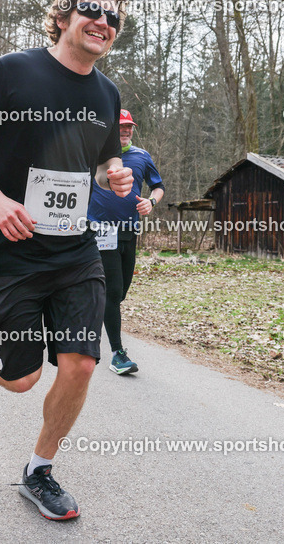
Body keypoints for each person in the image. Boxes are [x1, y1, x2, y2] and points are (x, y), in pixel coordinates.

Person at [0, 0, 133, 521]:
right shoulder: (13, 72)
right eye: (91, 11)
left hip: (75, 252)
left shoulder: (106, 92)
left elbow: (98, 163)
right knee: (24, 378)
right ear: (63, 15)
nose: (103, 22)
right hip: (13, 251)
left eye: (113, 17)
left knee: (80, 363)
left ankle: (39, 471)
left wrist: (115, 175)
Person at [87, 109, 164, 375]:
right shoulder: (96, 154)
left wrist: (151, 202)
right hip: (101, 230)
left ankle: (92, 315)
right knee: (113, 290)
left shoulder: (142, 156)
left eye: (129, 127)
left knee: (120, 293)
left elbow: (158, 186)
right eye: (121, 127)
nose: (126, 130)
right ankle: (118, 354)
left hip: (129, 230)